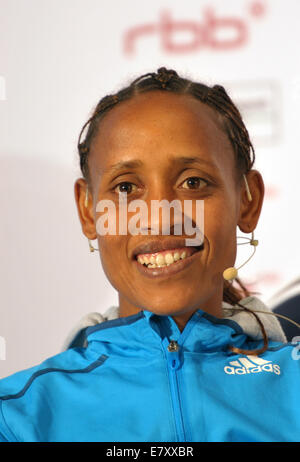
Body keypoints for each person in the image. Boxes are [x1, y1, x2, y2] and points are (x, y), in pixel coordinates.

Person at [0, 67, 299, 442]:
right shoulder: (18, 418)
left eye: (193, 182)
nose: (160, 217)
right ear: (88, 211)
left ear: (248, 200)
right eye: (125, 188)